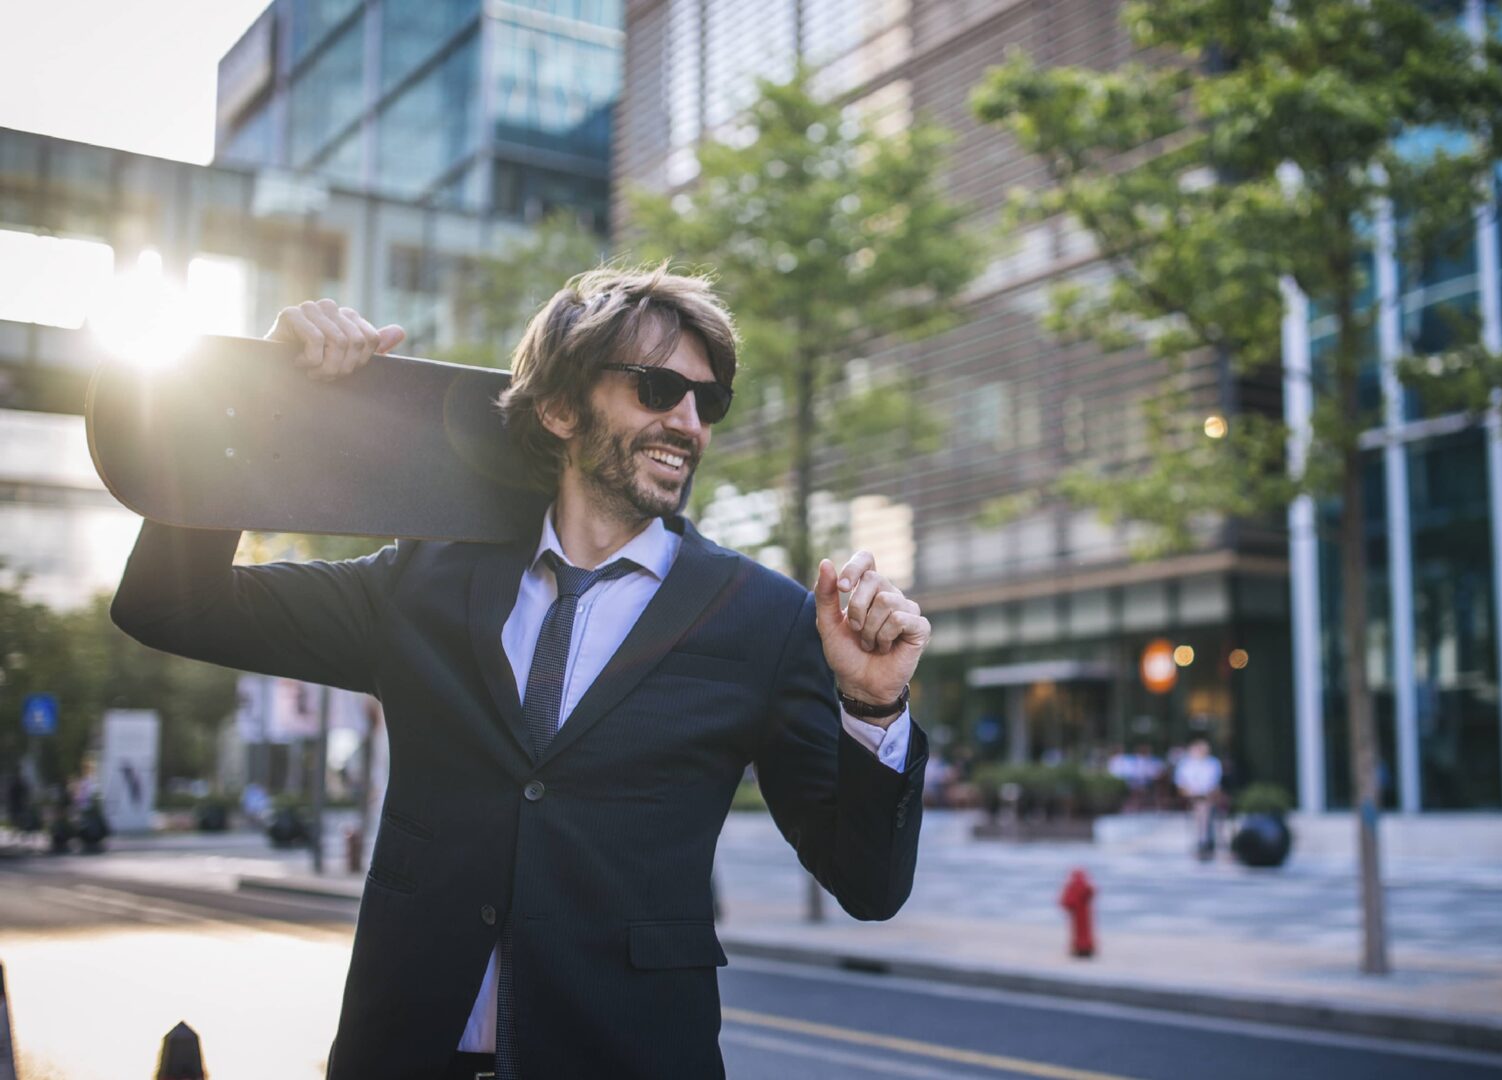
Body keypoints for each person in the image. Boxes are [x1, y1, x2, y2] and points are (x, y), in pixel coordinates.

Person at [110, 268, 932, 1080]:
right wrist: (251, 403)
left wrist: (873, 704)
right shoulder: (424, 583)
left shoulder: (764, 618)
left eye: (706, 400)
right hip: (406, 1054)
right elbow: (172, 607)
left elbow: (866, 884)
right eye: (656, 388)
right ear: (560, 407)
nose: (688, 422)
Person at [1173, 737, 1223, 860]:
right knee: (1202, 808)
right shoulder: (1185, 764)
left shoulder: (1213, 763)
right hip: (1190, 796)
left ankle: (1203, 839)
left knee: (1203, 807)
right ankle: (1204, 839)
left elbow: (1214, 783)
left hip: (1207, 796)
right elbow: (1181, 784)